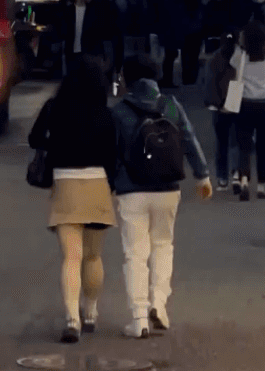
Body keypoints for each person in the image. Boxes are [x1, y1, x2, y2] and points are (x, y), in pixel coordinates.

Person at [111, 56, 211, 336]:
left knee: (135, 254)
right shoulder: (170, 105)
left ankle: (139, 317)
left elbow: (112, 153)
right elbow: (190, 140)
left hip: (131, 190)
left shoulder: (119, 111)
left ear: (128, 80)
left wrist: (109, 186)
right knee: (163, 245)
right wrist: (202, 175)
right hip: (168, 188)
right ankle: (160, 305)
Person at [27, 58, 118, 341]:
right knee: (93, 256)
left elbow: (34, 138)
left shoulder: (55, 108)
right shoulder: (105, 113)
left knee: (71, 257)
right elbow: (113, 153)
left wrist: (53, 146)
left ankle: (72, 320)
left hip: (65, 182)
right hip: (97, 183)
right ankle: (90, 312)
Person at [232, 20, 265, 202]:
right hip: (263, 106)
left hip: (244, 105)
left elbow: (233, 67)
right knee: (262, 146)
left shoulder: (240, 56)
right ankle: (261, 186)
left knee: (244, 145)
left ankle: (244, 181)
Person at [203, 31, 239, 188]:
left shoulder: (214, 60)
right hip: (236, 103)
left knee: (221, 144)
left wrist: (216, 103)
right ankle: (237, 174)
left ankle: (222, 178)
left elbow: (209, 84)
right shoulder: (240, 58)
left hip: (219, 107)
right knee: (236, 142)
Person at [179, 0, 204, 87]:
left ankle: (185, 76)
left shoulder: (183, 5)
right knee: (194, 56)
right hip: (197, 33)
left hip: (185, 32)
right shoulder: (199, 6)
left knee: (185, 56)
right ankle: (193, 77)